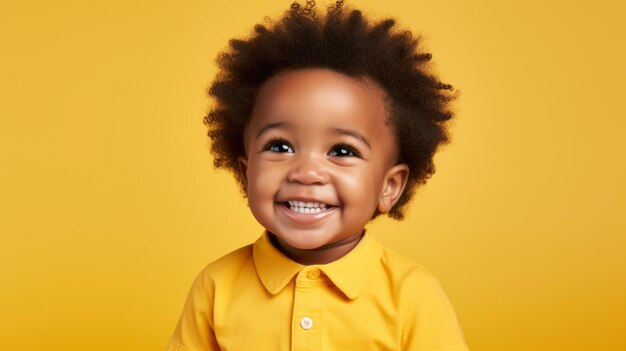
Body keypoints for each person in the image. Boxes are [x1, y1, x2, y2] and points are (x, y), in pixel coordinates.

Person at [166, 1, 468, 350]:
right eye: (280, 146)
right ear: (246, 173)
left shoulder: (413, 295)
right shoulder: (216, 287)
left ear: (389, 186)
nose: (307, 172)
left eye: (342, 151)